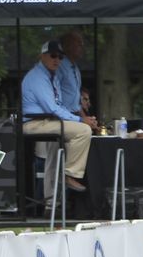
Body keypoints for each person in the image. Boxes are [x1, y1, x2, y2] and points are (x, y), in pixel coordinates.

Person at [21, 40, 95, 192]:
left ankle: (51, 203)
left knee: (54, 157)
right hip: (34, 123)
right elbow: (52, 107)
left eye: (60, 57)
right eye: (53, 56)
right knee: (83, 131)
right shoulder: (37, 77)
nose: (57, 60)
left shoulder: (52, 76)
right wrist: (81, 120)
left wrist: (82, 118)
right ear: (42, 56)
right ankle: (70, 174)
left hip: (49, 122)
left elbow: (59, 105)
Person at [58, 31, 89, 119]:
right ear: (67, 46)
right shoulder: (59, 67)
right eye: (79, 43)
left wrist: (85, 119)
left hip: (74, 116)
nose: (82, 47)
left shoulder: (75, 68)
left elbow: (76, 103)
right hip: (62, 116)